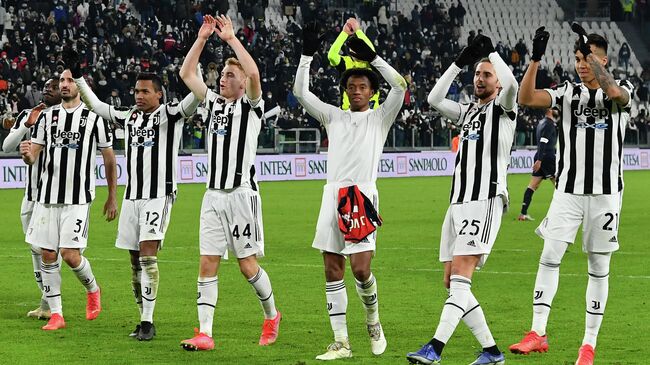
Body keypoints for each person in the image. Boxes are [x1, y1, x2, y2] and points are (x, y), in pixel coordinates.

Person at [509, 25, 633, 365]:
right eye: (578, 58)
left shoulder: (624, 91)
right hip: (568, 191)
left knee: (597, 266)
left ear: (603, 59)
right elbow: (525, 99)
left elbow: (615, 94)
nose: (581, 64)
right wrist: (534, 59)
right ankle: (538, 332)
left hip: (605, 195)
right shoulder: (566, 93)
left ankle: (588, 345)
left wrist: (595, 63)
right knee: (549, 254)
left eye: (588, 58)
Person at [63, 48, 201, 340]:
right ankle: (142, 318)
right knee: (134, 261)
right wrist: (78, 76)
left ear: (159, 95)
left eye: (145, 92)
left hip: (158, 195)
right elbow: (98, 106)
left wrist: (197, 63)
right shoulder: (130, 117)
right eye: (136, 91)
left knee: (149, 256)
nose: (139, 96)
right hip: (132, 197)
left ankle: (149, 323)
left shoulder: (170, 115)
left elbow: (196, 96)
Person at [295, 22, 406, 360]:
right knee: (332, 268)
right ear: (346, 91)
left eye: (362, 86)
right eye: (352, 86)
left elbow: (400, 88)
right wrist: (305, 56)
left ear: (372, 92)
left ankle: (373, 321)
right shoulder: (333, 116)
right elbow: (301, 93)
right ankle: (341, 341)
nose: (357, 90)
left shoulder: (379, 118)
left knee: (360, 269)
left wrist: (375, 60)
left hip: (362, 198)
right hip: (333, 196)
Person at [406, 33, 518, 365]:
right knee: (452, 282)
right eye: (478, 73)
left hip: (484, 199)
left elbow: (512, 87)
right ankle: (492, 352)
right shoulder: (467, 111)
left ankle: (435, 348)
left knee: (461, 278)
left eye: (487, 74)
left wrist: (493, 54)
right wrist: (459, 61)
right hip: (457, 202)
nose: (480, 78)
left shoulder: (503, 109)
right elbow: (433, 98)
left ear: (496, 81)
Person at [178, 15, 281, 351]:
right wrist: (202, 39)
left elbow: (254, 73)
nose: (223, 79)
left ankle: (271, 315)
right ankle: (205, 333)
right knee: (207, 262)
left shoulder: (251, 108)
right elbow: (186, 74)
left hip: (240, 196)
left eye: (229, 75)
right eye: (222, 74)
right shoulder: (213, 105)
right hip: (212, 197)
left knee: (246, 266)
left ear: (241, 84)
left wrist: (232, 39)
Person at [20, 69, 118, 331]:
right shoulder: (47, 118)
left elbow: (109, 159)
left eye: (69, 81)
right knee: (47, 254)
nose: (63, 85)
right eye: (61, 81)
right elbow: (35, 156)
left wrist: (112, 196)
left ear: (80, 86)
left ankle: (93, 289)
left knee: (70, 255)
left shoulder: (94, 120)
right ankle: (56, 315)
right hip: (46, 198)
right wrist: (27, 155)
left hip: (77, 199)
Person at [2, 78, 61, 320]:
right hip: (30, 196)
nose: (47, 89)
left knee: (47, 249)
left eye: (53, 87)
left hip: (53, 196)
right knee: (34, 250)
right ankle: (46, 301)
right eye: (45, 87)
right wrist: (27, 124)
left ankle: (51, 302)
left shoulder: (68, 117)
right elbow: (7, 146)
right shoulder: (29, 114)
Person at [327, 17, 380, 110]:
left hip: (371, 114)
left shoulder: (370, 62)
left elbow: (371, 52)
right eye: (353, 47)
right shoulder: (346, 62)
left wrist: (358, 31)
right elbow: (331, 55)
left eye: (358, 46)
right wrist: (344, 33)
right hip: (348, 114)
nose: (355, 49)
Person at [518, 108, 559, 221]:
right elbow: (543, 141)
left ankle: (523, 213)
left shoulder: (541, 123)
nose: (557, 110)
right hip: (547, 157)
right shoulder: (549, 124)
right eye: (554, 108)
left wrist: (539, 158)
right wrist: (540, 160)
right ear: (549, 110)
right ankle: (561, 214)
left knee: (532, 186)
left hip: (540, 156)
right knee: (559, 185)